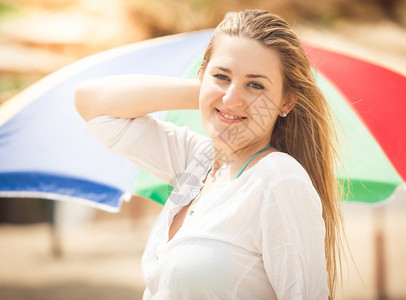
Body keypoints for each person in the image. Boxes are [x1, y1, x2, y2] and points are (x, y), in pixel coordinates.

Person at [75, 9, 343, 299]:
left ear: (287, 101)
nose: (232, 96)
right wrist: (211, 96)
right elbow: (92, 102)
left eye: (256, 85)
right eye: (221, 75)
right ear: (201, 74)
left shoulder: (278, 180)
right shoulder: (197, 160)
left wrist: (223, 98)